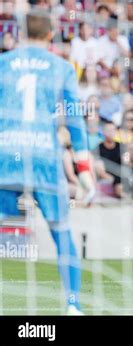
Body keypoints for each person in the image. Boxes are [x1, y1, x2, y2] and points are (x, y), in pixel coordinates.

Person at [0, 10, 96, 314]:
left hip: (5, 157)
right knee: (61, 231)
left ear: (19, 33)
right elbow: (75, 121)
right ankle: (73, 305)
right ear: (51, 35)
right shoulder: (62, 67)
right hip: (44, 157)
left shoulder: (3, 63)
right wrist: (83, 170)